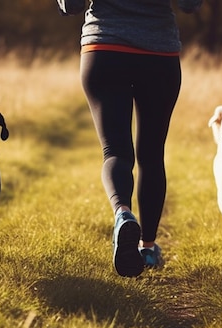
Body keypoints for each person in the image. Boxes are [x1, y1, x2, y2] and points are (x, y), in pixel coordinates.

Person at [57, 0, 203, 277]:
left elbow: (71, 5)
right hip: (159, 55)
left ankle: (123, 213)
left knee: (115, 152)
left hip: (104, 48)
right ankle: (147, 249)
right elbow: (190, 4)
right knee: (151, 154)